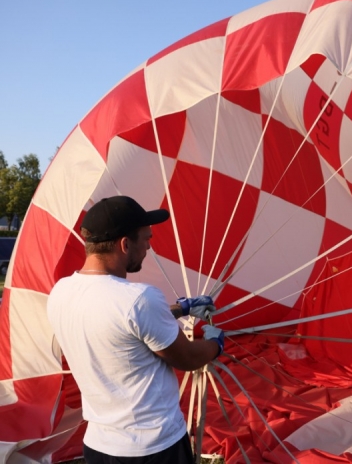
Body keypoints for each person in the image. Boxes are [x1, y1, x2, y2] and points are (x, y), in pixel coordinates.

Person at [47, 196, 225, 464]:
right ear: (125, 244)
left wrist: (180, 309)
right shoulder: (140, 298)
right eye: (146, 239)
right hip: (154, 448)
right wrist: (216, 343)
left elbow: (116, 321)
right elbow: (187, 358)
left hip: (98, 446)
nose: (149, 247)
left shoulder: (60, 292)